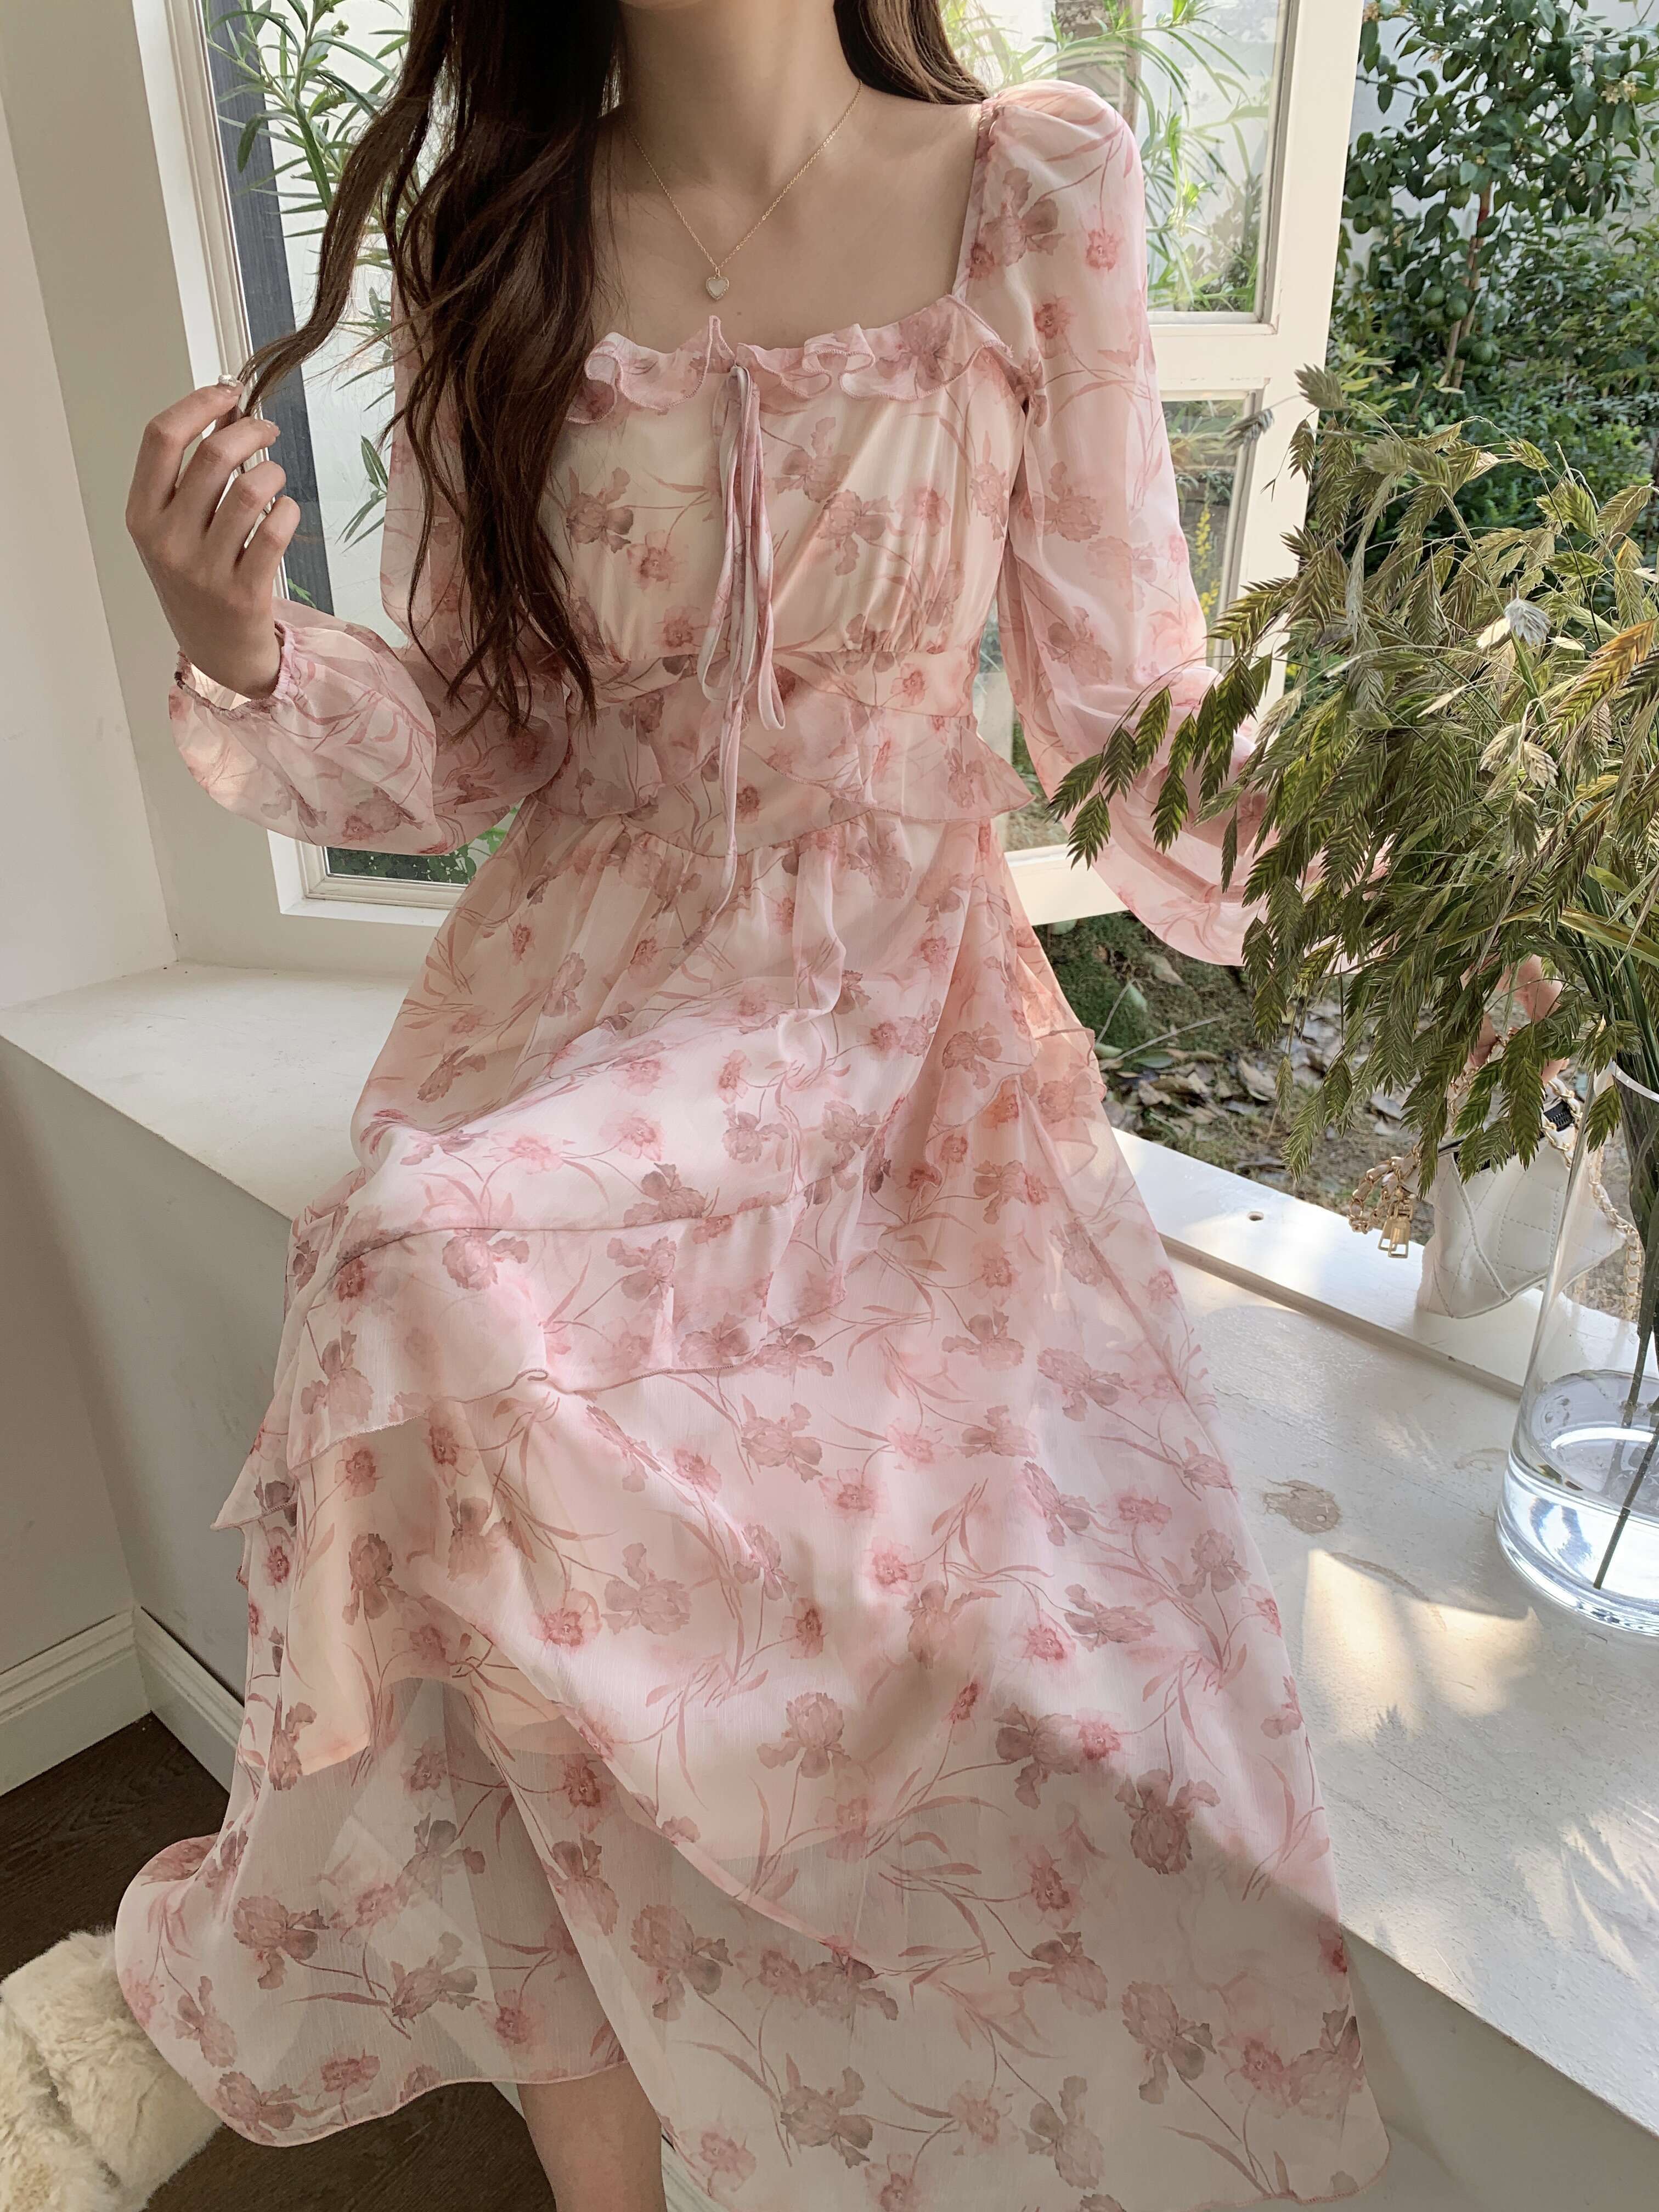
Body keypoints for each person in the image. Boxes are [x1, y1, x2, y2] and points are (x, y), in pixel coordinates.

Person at [118, 4, 1390, 2208]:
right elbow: (481, 738)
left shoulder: (1033, 188)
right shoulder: (495, 234)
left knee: (978, 1610)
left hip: (899, 1026)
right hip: (580, 1004)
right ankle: (601, 2153)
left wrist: (1407, 849)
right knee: (412, 1284)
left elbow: (1121, 712)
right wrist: (244, 642)